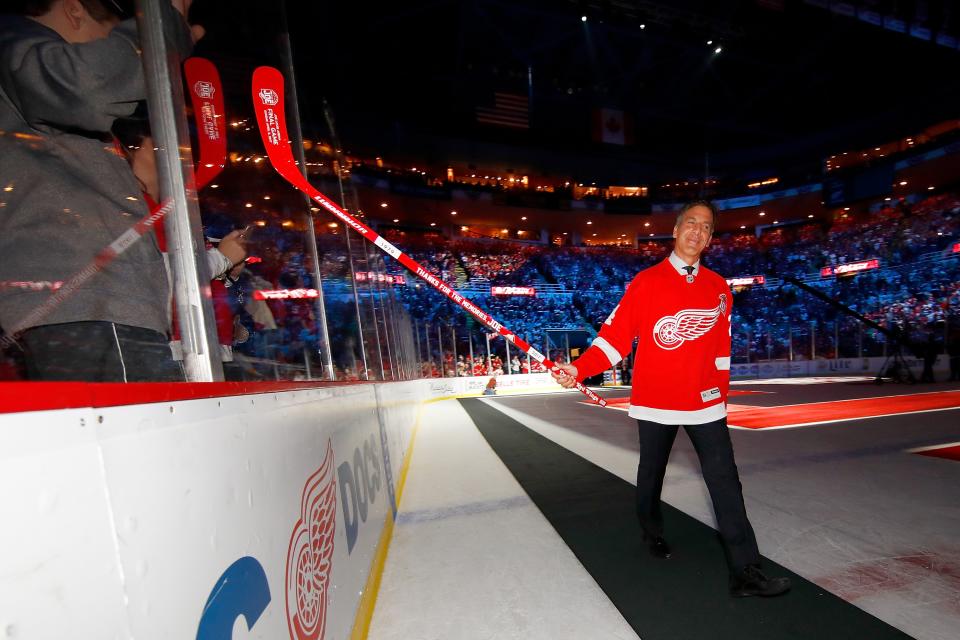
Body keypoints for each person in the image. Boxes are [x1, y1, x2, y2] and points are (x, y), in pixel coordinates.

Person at [552, 200, 791, 598]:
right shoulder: (645, 282)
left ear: (710, 238)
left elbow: (721, 352)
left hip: (706, 404)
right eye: (691, 223)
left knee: (726, 483)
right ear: (676, 230)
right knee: (651, 476)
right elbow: (615, 339)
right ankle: (651, 531)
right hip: (657, 401)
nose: (698, 231)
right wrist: (580, 369)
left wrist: (721, 396)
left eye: (706, 227)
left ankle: (745, 571)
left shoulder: (719, 288)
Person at [0, 0, 196, 381]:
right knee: (140, 436)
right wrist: (159, 28)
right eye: (107, 39)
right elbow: (88, 87)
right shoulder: (14, 39)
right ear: (74, 11)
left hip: (80, 306)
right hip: (88, 305)